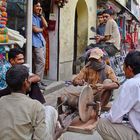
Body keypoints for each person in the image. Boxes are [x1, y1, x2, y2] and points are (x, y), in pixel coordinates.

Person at [0, 65, 65, 140]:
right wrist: (57, 134)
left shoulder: (1, 100)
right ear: (25, 82)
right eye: (29, 79)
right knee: (51, 110)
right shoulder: (35, 106)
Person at [96, 51, 140, 140]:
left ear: (129, 68)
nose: (123, 69)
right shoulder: (88, 67)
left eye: (123, 66)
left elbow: (115, 117)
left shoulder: (132, 84)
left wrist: (104, 115)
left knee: (101, 123)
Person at [32, 0, 48, 88]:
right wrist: (41, 29)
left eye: (39, 6)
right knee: (40, 62)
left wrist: (41, 15)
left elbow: (46, 25)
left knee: (41, 63)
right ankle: (37, 83)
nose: (39, 8)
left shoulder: (38, 17)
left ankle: (39, 80)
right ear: (33, 7)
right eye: (37, 6)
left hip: (41, 42)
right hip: (36, 43)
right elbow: (35, 30)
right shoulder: (31, 16)